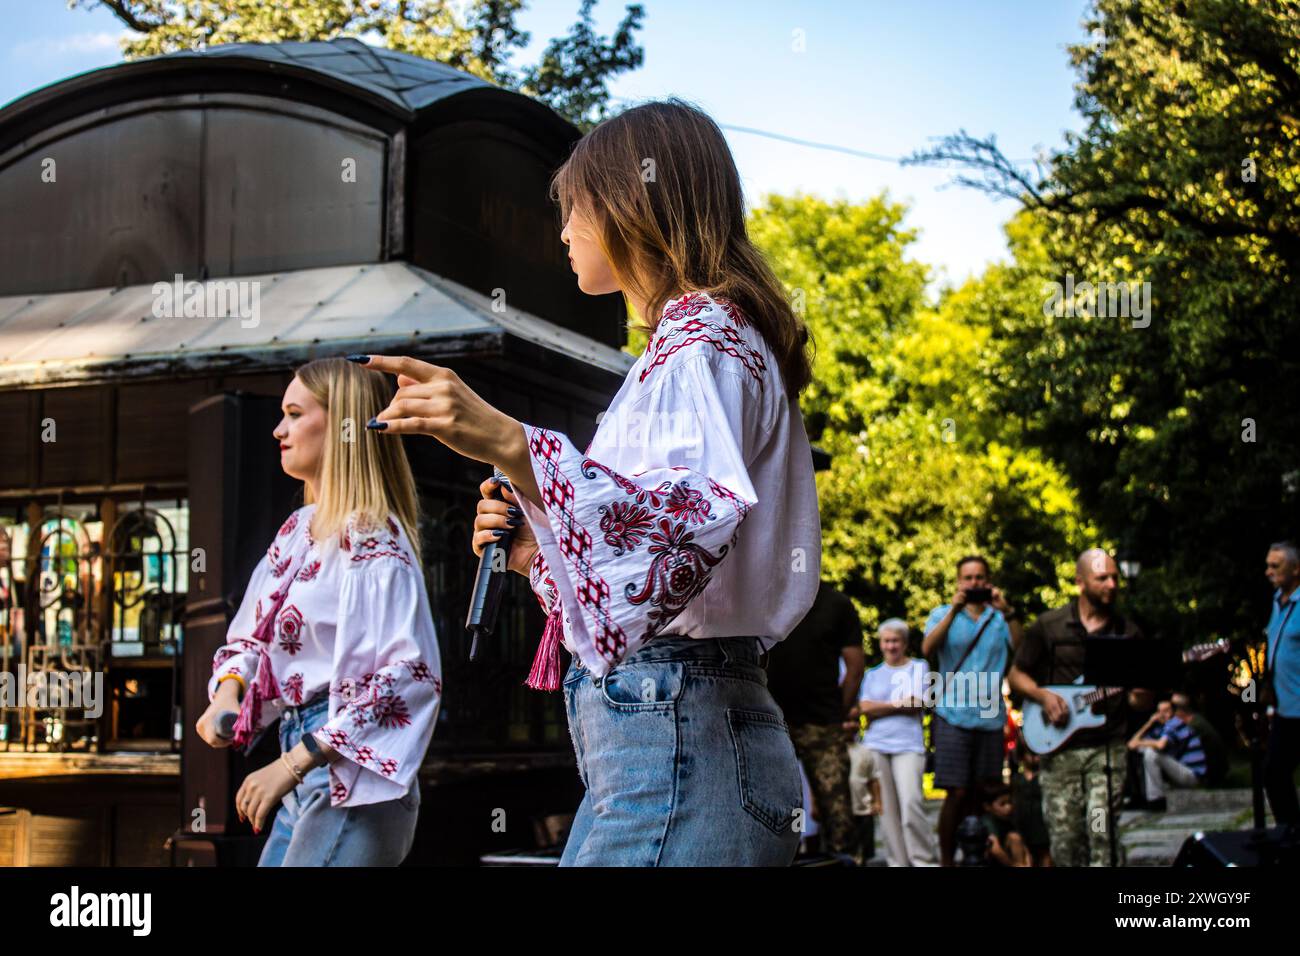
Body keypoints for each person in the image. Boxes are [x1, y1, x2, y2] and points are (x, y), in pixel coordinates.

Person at [358, 99, 821, 865]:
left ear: (631, 205)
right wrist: (533, 552)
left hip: (677, 739)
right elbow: (658, 564)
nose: (564, 230)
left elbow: (688, 522)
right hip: (683, 737)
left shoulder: (700, 339)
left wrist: (509, 441)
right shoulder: (699, 343)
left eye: (574, 208)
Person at [195, 358, 443, 866]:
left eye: (294, 413)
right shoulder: (298, 530)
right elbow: (250, 638)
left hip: (353, 778)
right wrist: (228, 695)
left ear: (342, 423)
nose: (278, 429)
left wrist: (292, 762)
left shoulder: (374, 538)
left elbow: (409, 679)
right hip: (310, 768)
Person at [1008, 548, 1150, 866]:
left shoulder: (1128, 632)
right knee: (1065, 840)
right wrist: (1043, 697)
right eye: (1102, 578)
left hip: (1107, 749)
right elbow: (1016, 674)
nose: (1111, 584)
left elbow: (1139, 699)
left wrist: (1142, 694)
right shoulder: (1050, 625)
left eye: (1114, 577)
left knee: (1100, 832)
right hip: (1059, 751)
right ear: (1080, 582)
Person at [921, 554, 1022, 865]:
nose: (974, 582)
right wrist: (954, 609)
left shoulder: (1000, 619)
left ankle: (979, 855)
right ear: (959, 581)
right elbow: (927, 649)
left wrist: (1008, 610)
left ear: (988, 581)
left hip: (990, 714)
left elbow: (1021, 649)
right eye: (968, 578)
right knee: (957, 792)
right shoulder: (941, 614)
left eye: (980, 577)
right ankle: (948, 859)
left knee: (983, 791)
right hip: (953, 713)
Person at [767, 579, 866, 858]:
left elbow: (855, 668)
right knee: (772, 808)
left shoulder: (837, 604)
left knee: (837, 810)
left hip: (821, 723)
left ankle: (845, 860)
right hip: (772, 723)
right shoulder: (766, 596)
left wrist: (838, 712)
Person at [858, 619, 938, 866]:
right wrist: (898, 704)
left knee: (912, 805)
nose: (891, 646)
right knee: (887, 812)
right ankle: (897, 862)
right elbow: (864, 707)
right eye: (886, 641)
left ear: (904, 643)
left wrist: (881, 707)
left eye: (895, 641)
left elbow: (918, 702)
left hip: (908, 746)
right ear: (881, 644)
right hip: (876, 746)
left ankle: (924, 861)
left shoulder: (919, 667)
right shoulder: (872, 674)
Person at [1262, 541, 1300, 826]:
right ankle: (1291, 834)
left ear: (1296, 569)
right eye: (1268, 565)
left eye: (1276, 566)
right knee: (1274, 774)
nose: (1268, 571)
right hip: (1284, 710)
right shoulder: (1278, 601)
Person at [1127, 697, 1206, 811]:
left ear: (1173, 712)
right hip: (1179, 773)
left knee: (1151, 753)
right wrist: (1150, 723)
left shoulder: (1175, 723)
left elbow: (1161, 745)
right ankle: (1140, 796)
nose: (1163, 714)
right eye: (1160, 711)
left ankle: (1156, 800)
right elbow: (1131, 744)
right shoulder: (1159, 729)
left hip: (1192, 775)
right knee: (1144, 751)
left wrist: (1142, 743)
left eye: (1166, 711)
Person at [1012, 741, 1052, 866]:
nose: (1035, 758)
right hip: (1024, 823)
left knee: (1045, 856)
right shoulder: (1017, 778)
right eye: (1031, 754)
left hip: (1041, 824)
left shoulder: (1044, 777)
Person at [981, 783, 1029, 867]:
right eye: (1002, 804)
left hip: (1007, 857)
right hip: (990, 860)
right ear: (987, 806)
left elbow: (1022, 845)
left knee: (1014, 837)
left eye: (1009, 802)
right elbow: (994, 849)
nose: (1008, 807)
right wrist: (1013, 864)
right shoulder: (987, 822)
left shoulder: (1008, 819)